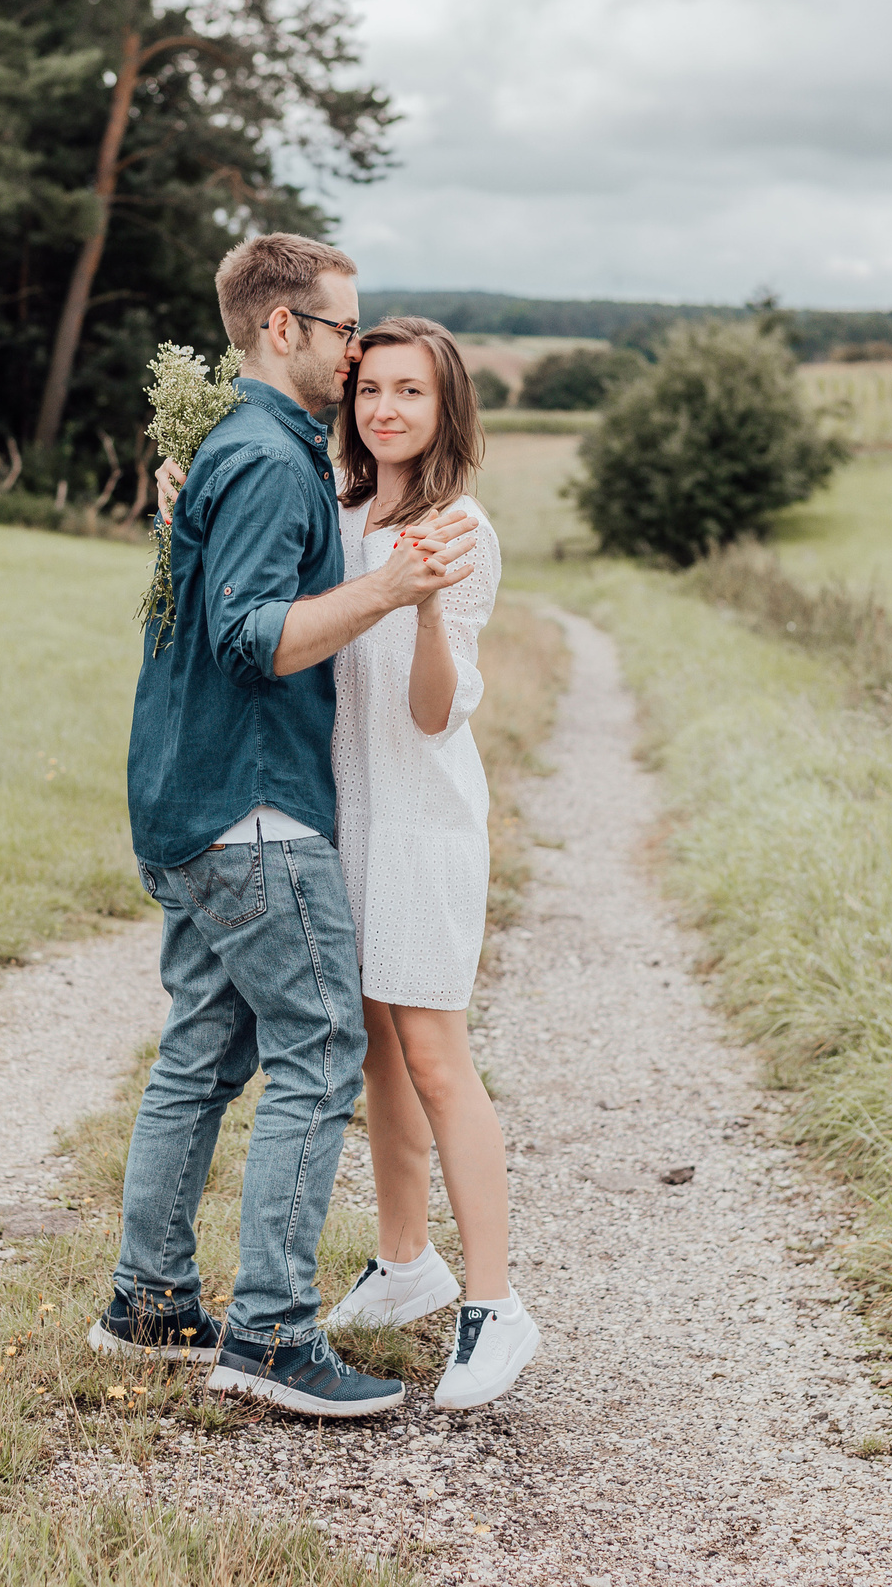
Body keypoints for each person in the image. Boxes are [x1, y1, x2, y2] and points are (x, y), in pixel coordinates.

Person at [88, 234, 480, 1418]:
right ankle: (269, 1335)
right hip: (251, 807)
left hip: (185, 796)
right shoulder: (264, 458)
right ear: (282, 328)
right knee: (316, 1047)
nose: (354, 352)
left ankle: (151, 1301)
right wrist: (392, 588)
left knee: (205, 1048)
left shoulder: (238, 446)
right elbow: (250, 637)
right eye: (345, 329)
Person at [317, 318, 538, 1410]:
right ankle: (406, 1263)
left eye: (410, 390)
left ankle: (495, 1305)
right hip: (352, 816)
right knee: (378, 1052)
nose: (385, 408)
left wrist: (430, 607)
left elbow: (434, 711)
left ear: (446, 406)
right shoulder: (342, 512)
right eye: (370, 389)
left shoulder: (460, 529)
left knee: (438, 1058)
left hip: (425, 823)